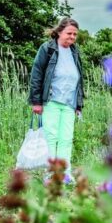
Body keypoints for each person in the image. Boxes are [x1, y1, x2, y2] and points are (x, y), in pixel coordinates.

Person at [28, 18, 85, 179]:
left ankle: (65, 173)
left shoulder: (75, 51)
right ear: (59, 32)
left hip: (69, 102)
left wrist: (79, 104)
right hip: (51, 101)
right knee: (51, 137)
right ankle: (51, 174)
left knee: (66, 138)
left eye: (75, 34)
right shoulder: (47, 49)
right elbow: (37, 75)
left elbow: (80, 78)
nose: (72, 37)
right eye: (69, 33)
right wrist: (36, 101)